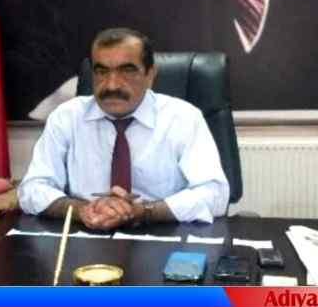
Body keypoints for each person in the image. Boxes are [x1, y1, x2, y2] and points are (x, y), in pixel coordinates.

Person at [18, 28, 230, 230]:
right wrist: (81, 210)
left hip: (164, 233)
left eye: (127, 71)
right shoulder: (66, 117)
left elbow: (215, 194)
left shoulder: (183, 118)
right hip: (85, 232)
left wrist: (145, 212)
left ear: (150, 75)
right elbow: (32, 189)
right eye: (101, 71)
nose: (112, 85)